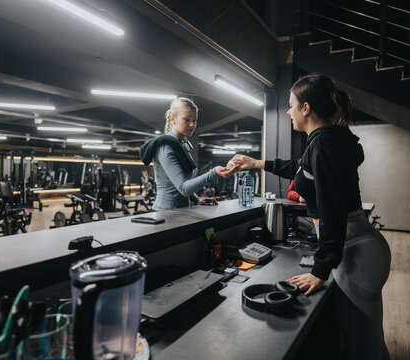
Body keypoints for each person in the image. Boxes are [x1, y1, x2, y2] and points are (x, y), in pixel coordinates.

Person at [231, 74, 391, 359]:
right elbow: (300, 167)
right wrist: (257, 163)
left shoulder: (323, 144)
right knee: (369, 344)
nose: (288, 111)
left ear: (306, 108)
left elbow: (332, 212)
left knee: (363, 350)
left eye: (291, 105)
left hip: (355, 251)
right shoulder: (325, 140)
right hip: (354, 246)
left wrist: (320, 269)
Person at [140, 97, 239, 211]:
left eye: (194, 120)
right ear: (173, 119)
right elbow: (183, 188)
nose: (192, 125)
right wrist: (214, 173)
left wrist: (197, 200)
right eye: (187, 120)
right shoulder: (166, 147)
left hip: (180, 212)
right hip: (164, 213)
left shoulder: (182, 144)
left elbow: (179, 185)